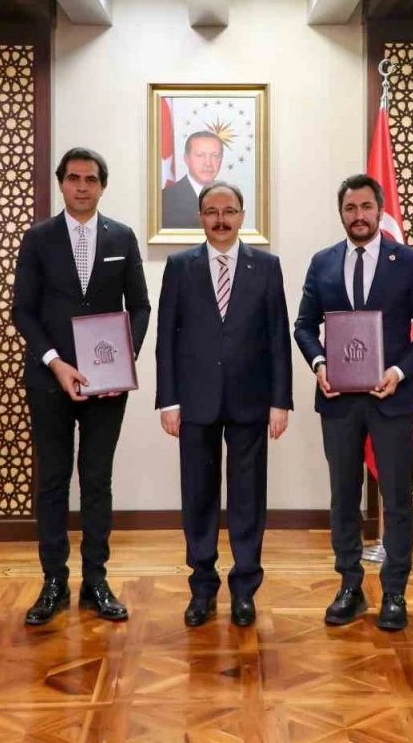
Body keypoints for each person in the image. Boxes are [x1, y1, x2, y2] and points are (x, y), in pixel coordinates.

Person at [293, 174, 413, 631]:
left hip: (391, 398)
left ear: (379, 210)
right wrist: (319, 363)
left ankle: (394, 591)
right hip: (339, 400)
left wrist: (399, 371)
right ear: (341, 213)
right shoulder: (322, 262)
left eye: (365, 207)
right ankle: (349, 587)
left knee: (396, 498)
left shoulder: (408, 261)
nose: (358, 216)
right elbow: (303, 325)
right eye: (350, 208)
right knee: (343, 497)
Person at [11, 147, 151, 626]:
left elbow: (140, 306)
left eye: (91, 179)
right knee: (53, 481)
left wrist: (123, 363)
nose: (82, 186)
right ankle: (53, 581)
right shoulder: (38, 238)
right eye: (73, 178)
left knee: (96, 481)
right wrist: (55, 363)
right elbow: (23, 310)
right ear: (61, 183)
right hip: (50, 380)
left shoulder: (122, 237)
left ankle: (96, 580)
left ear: (102, 186)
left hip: (107, 387)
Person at [155, 181, 292, 628]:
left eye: (229, 211)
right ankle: (202, 587)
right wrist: (168, 400)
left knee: (248, 497)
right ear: (200, 217)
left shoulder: (266, 267)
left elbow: (278, 338)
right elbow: (166, 339)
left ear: (242, 215)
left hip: (252, 400)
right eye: (212, 211)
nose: (220, 219)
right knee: (198, 496)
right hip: (194, 401)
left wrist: (280, 401)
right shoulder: (180, 266)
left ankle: (245, 589)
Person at [161, 131, 224, 230]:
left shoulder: (229, 198)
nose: (208, 163)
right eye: (200, 155)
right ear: (187, 159)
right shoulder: (164, 200)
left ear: (221, 159)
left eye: (215, 155)